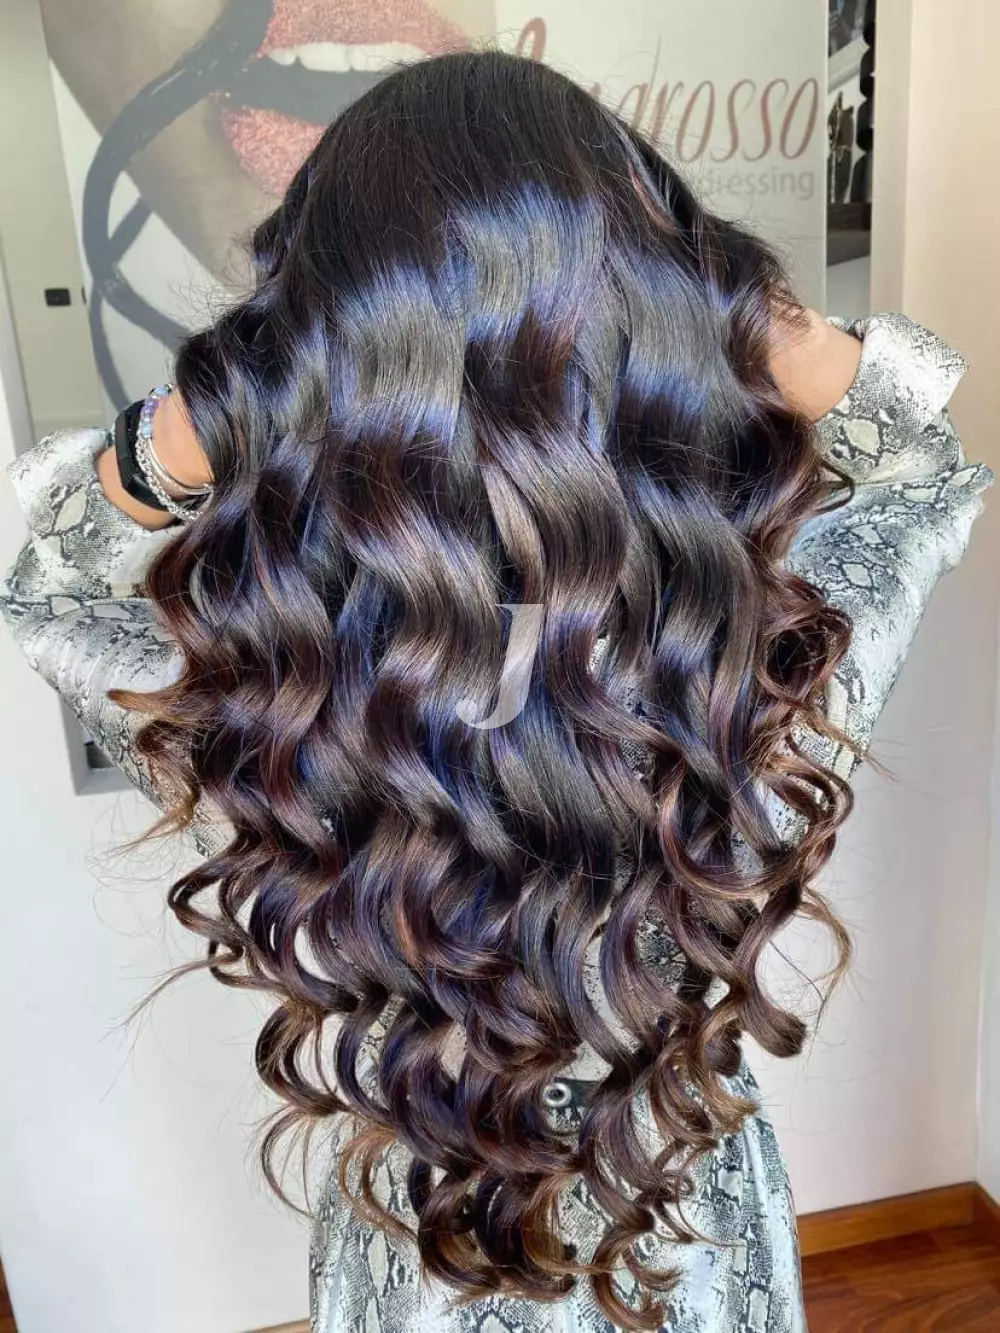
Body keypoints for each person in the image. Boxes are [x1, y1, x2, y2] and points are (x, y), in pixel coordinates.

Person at [0, 51, 991, 1333]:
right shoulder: (742, 664)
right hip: (680, 1240)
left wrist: (223, 394)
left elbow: (53, 589)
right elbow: (920, 472)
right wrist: (741, 307)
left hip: (417, 1248)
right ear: (650, 320)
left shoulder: (294, 701)